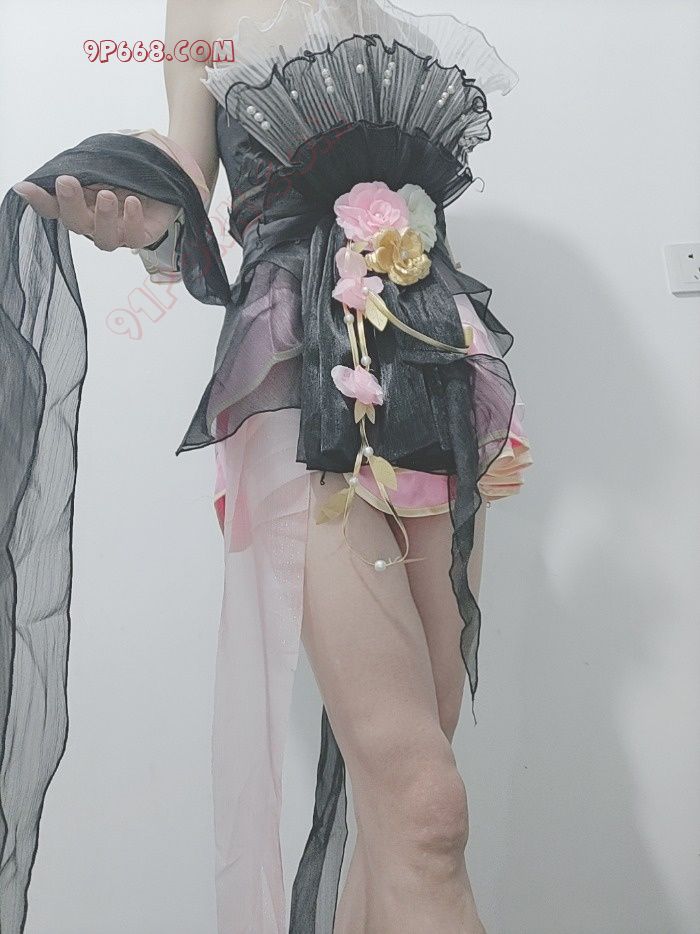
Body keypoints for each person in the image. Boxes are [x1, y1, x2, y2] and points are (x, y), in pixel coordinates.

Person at [3, 0, 532, 931]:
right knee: (428, 810)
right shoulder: (205, 9)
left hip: (436, 387)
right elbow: (184, 195)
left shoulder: (403, 33)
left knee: (404, 808)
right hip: (298, 387)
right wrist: (149, 221)